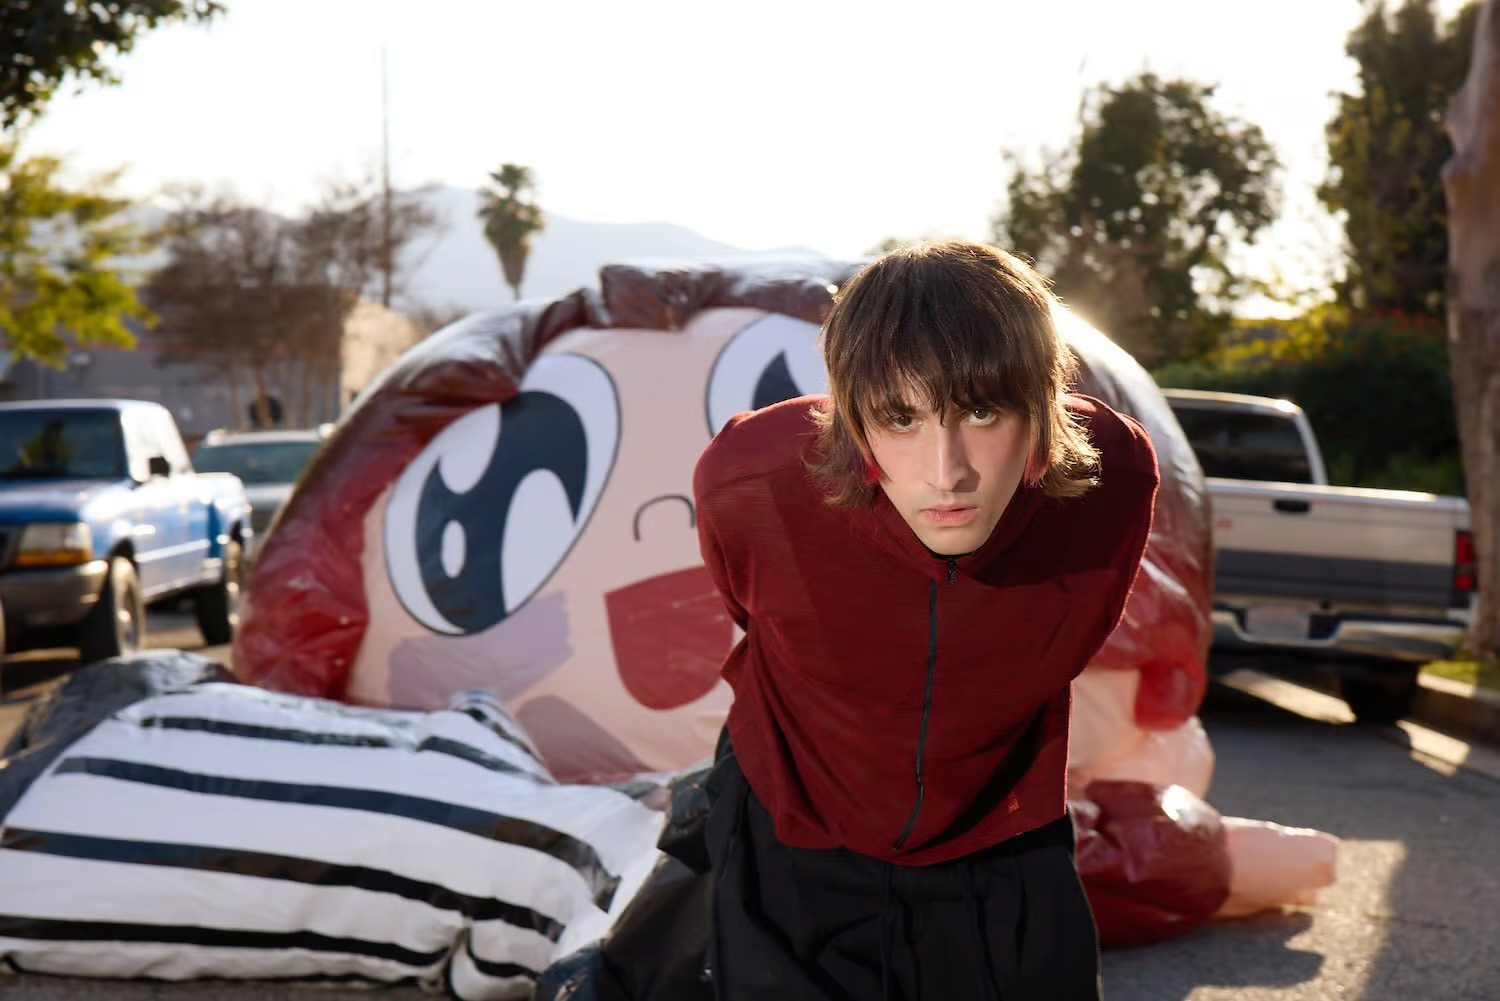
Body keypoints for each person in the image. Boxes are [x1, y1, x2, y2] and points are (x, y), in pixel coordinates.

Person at [691, 240, 1160, 1000]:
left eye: (981, 410)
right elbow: (744, 606)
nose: (949, 473)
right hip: (791, 816)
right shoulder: (753, 476)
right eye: (899, 418)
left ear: (1043, 407)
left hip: (1000, 827)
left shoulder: (1114, 478)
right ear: (852, 420)